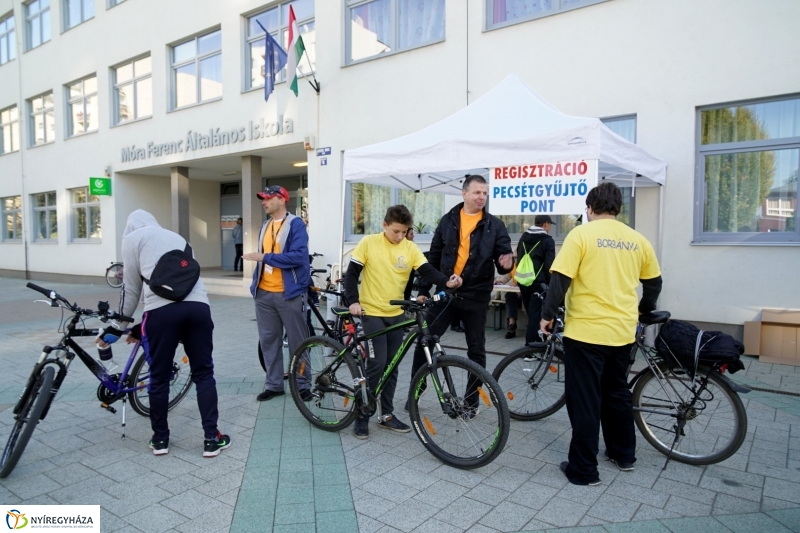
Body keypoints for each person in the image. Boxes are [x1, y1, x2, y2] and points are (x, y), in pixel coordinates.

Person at [540, 182, 662, 486]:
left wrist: (546, 316)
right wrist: (644, 311)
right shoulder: (637, 239)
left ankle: (583, 469)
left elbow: (561, 279)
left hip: (586, 332)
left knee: (585, 400)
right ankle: (624, 455)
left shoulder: (581, 234)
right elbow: (654, 283)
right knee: (616, 393)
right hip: (622, 332)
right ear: (618, 209)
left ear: (590, 208)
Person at [98, 209, 230, 458]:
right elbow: (189, 277)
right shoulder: (178, 238)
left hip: (161, 315)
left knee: (158, 378)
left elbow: (131, 290)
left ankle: (160, 440)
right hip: (199, 309)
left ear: (130, 227)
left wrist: (119, 327)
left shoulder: (132, 240)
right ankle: (212, 439)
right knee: (204, 374)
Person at [345, 205, 461, 439]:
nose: (400, 236)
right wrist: (353, 301)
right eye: (396, 231)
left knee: (393, 364)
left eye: (404, 232)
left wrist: (446, 282)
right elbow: (351, 275)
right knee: (377, 364)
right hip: (371, 311)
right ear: (385, 225)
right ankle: (361, 414)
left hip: (396, 313)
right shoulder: (369, 242)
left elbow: (427, 270)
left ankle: (386, 414)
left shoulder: (410, 248)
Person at [409, 174, 513, 412]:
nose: (482, 197)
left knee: (476, 350)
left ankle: (471, 401)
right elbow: (433, 258)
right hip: (446, 294)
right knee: (424, 340)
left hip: (476, 297)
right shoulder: (448, 220)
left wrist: (507, 262)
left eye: (485, 193)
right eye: (477, 192)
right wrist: (424, 290)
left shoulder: (494, 225)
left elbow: (502, 259)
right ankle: (418, 388)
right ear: (464, 193)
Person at [243, 185, 313, 402]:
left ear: (282, 199)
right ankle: (274, 385)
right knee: (269, 341)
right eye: (262, 198)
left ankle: (302, 385)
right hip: (264, 294)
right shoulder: (265, 225)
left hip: (289, 293)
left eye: (268, 198)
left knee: (298, 341)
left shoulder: (296, 224)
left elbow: (298, 257)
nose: (264, 202)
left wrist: (265, 258)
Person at [516, 214, 556, 344]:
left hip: (523, 281)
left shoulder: (523, 238)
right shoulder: (548, 241)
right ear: (545, 224)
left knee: (531, 314)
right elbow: (549, 265)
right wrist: (551, 284)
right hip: (539, 283)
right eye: (550, 224)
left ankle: (533, 346)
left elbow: (518, 257)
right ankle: (531, 349)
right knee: (536, 315)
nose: (549, 228)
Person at [492, 270, 521, 339]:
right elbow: (508, 275)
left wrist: (518, 283)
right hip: (516, 292)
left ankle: (511, 327)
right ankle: (511, 325)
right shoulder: (514, 263)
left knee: (512, 297)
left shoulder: (526, 261)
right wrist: (500, 281)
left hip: (527, 292)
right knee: (510, 295)